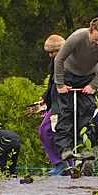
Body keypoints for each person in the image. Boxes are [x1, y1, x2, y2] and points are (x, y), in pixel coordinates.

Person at [48, 17, 98, 175]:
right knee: (65, 112)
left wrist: (94, 85)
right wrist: (60, 84)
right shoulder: (77, 37)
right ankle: (65, 149)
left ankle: (85, 149)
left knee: (88, 113)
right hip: (68, 73)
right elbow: (59, 59)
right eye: (97, 38)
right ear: (91, 30)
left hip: (88, 77)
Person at [36, 34, 65, 165]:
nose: (51, 55)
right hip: (54, 102)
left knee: (48, 131)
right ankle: (64, 164)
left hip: (62, 104)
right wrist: (45, 98)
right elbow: (52, 85)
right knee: (49, 132)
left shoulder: (67, 64)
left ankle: (62, 163)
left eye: (54, 52)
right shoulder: (54, 63)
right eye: (49, 52)